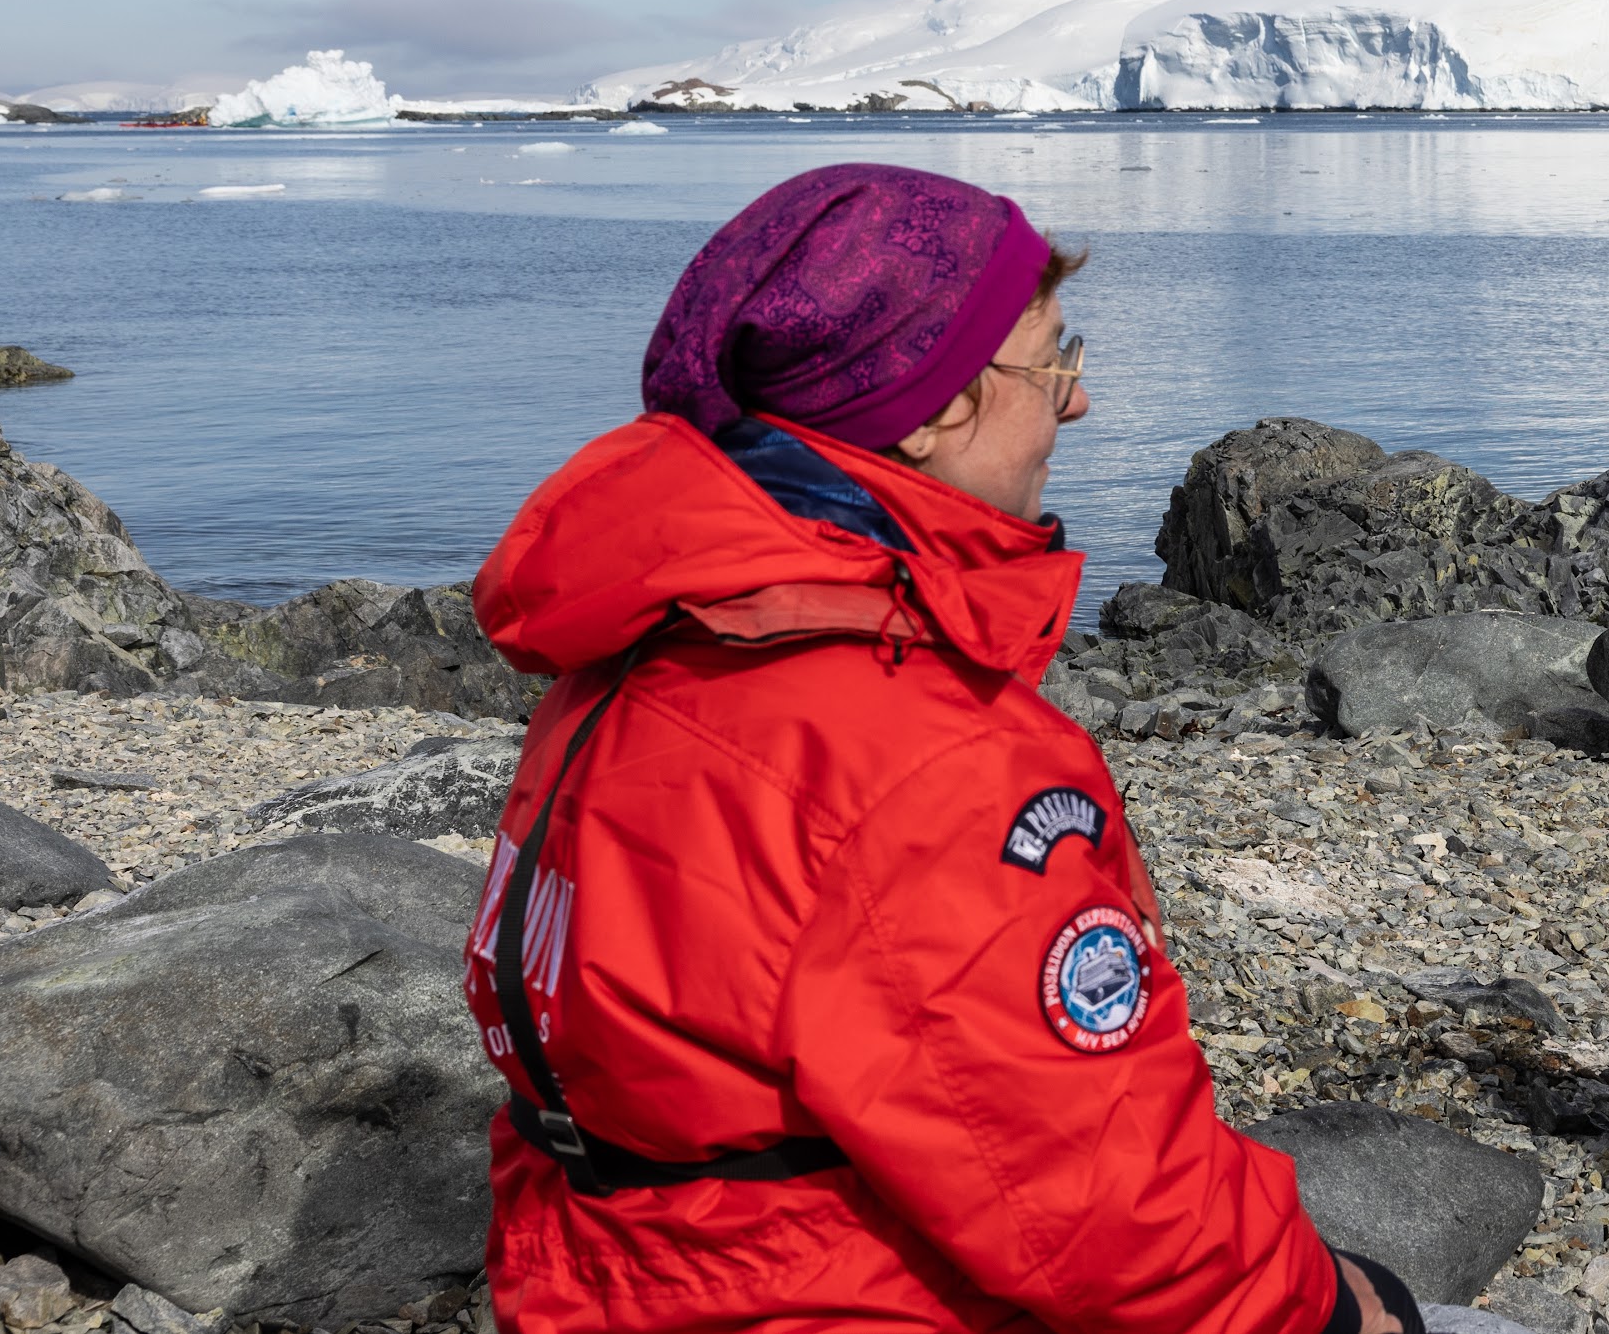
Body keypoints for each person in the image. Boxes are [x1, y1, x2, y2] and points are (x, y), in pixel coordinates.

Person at [461, 162, 1415, 1334]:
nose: (1076, 402)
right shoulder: (920, 754)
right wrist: (1327, 1312)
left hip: (607, 1283)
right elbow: (1104, 1212)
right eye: (1053, 361)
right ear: (925, 412)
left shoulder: (635, 650)